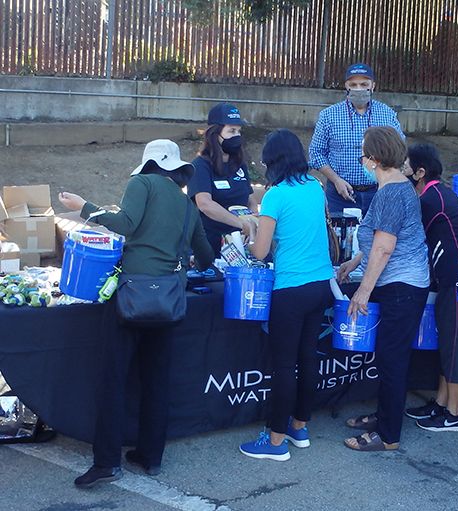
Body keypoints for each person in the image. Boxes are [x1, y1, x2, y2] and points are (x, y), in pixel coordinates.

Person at [60, 140, 214, 488]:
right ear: (175, 170)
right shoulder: (187, 205)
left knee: (113, 380)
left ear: (148, 165)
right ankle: (150, 456)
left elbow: (125, 224)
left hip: (131, 297)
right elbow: (205, 256)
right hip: (169, 301)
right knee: (157, 381)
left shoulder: (141, 183)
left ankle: (106, 463)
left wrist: (84, 207)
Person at [238, 129, 334, 461]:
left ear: (273, 161)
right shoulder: (316, 188)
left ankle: (275, 441)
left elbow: (262, 252)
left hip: (290, 289)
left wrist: (250, 234)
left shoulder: (275, 196)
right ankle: (299, 426)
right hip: (321, 285)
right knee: (307, 359)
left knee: (283, 366)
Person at [336, 126, 429, 451]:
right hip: (402, 283)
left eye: (364, 153)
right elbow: (380, 238)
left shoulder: (391, 192)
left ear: (374, 159)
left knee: (392, 360)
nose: (362, 158)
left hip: (402, 286)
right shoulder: (396, 187)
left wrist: (363, 290)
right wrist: (355, 262)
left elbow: (385, 247)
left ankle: (388, 435)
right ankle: (383, 416)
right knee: (389, 358)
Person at [401, 143, 458, 432]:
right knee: (447, 342)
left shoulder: (431, 198)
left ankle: (454, 413)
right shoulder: (434, 193)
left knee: (455, 344)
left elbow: (404, 234)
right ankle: (442, 403)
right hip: (448, 280)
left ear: (420, 172)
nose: (402, 170)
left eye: (407, 166)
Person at [309, 63, 405, 215]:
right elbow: (316, 153)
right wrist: (336, 180)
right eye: (353, 84)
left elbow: (400, 151)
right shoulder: (328, 116)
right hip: (339, 194)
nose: (358, 89)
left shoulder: (387, 114)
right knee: (338, 236)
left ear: (373, 86)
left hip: (379, 192)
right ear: (346, 86)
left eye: (364, 84)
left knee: (378, 237)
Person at [188, 102, 260, 257]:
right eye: (231, 131)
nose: (237, 136)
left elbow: (250, 199)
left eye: (239, 131)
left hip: (240, 246)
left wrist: (253, 221)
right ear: (215, 134)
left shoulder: (240, 165)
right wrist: (240, 224)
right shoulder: (200, 166)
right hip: (210, 246)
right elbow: (205, 204)